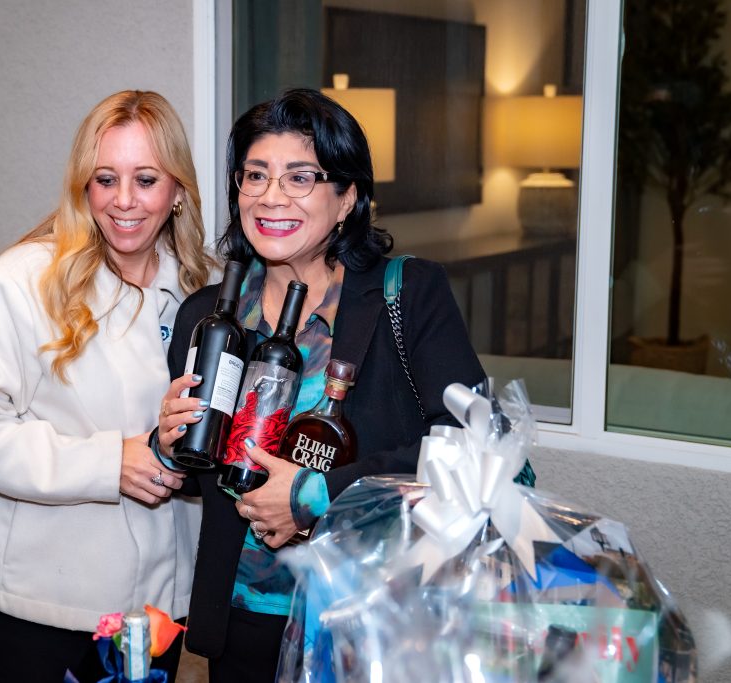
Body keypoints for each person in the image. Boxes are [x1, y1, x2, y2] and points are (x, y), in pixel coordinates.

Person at [155, 88, 489, 682]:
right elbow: (197, 479)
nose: (270, 196)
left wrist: (314, 495)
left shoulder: (406, 296)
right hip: (244, 621)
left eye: (300, 178)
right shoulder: (210, 316)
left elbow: (477, 448)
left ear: (347, 199)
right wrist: (167, 443)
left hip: (372, 617)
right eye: (254, 175)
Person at [0, 90, 214, 682]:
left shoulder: (208, 292)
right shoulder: (18, 283)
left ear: (179, 191)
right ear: (83, 186)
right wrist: (109, 463)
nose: (124, 200)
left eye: (146, 179)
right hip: (42, 608)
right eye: (105, 179)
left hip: (159, 608)